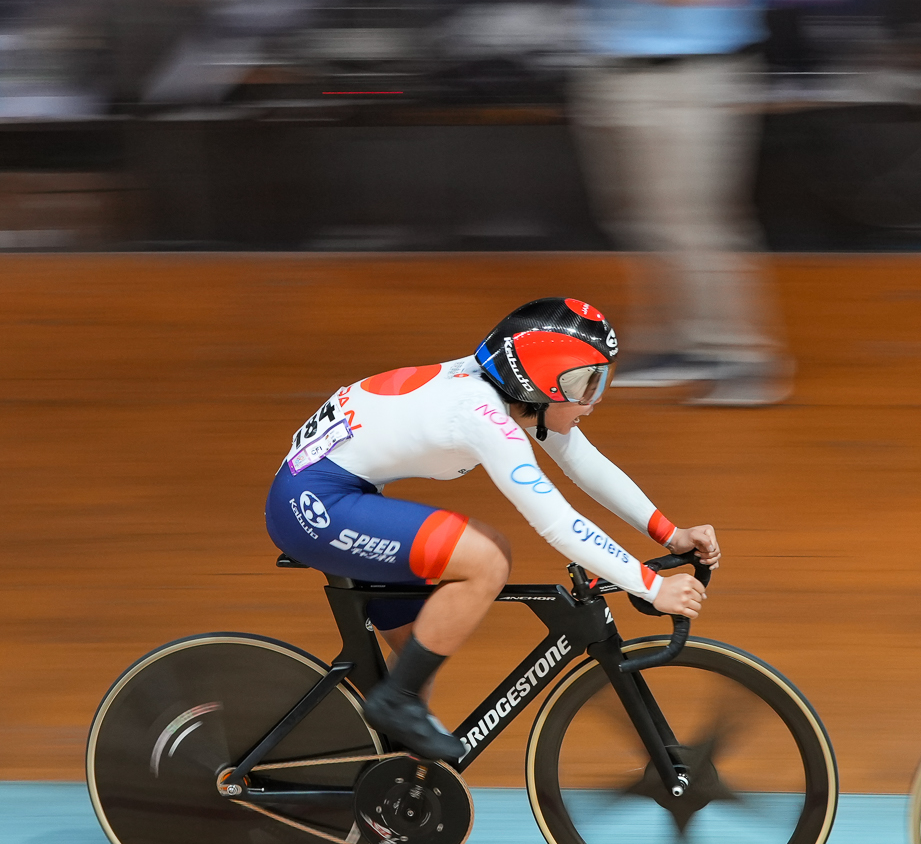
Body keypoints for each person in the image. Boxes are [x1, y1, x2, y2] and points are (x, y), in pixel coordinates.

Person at [264, 297, 719, 761]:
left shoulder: (508, 390)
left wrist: (670, 534)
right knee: (487, 557)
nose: (595, 399)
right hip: (315, 504)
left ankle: (398, 791)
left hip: (337, 489)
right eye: (586, 382)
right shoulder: (481, 416)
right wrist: (650, 585)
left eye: (602, 379)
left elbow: (584, 462)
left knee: (420, 651)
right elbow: (558, 525)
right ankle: (392, 703)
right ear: (540, 384)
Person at [569, 0, 791, 407]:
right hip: (610, 67)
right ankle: (683, 345)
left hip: (689, 78)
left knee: (691, 222)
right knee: (638, 219)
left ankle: (743, 359)